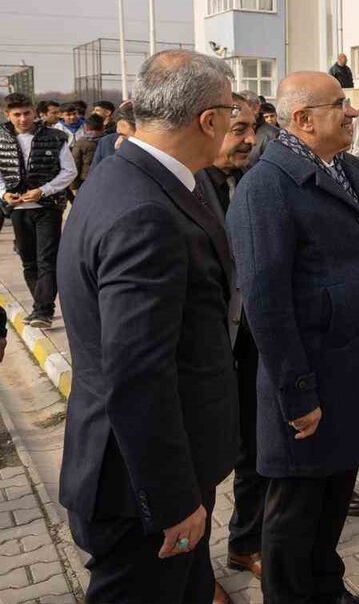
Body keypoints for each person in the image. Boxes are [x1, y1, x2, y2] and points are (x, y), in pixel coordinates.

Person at [226, 72, 359, 604]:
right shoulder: (265, 187)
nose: (353, 113)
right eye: (340, 106)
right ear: (304, 120)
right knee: (295, 513)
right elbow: (266, 303)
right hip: (308, 383)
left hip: (348, 375)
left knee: (333, 499)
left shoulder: (343, 170)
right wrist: (297, 394)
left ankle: (328, 591)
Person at [57, 50, 240, 601]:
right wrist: (172, 500)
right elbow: (138, 374)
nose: (235, 123)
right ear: (208, 120)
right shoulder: (144, 211)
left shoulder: (132, 170)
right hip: (139, 486)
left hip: (160, 463)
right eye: (231, 112)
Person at [192, 94, 263, 599]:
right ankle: (196, 573)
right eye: (239, 129)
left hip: (253, 343)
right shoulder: (185, 191)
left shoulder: (255, 183)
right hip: (204, 351)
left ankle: (246, 542)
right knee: (202, 461)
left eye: (253, 129)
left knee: (254, 450)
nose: (249, 140)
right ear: (210, 125)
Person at [1, 93, 76, 329]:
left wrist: (43, 190)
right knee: (28, 260)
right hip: (18, 208)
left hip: (47, 207)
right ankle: (39, 306)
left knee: (47, 259)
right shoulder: (1, 139)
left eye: (26, 113)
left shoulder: (55, 137)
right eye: (17, 114)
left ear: (34, 112)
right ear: (8, 115)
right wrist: (4, 193)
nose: (22, 118)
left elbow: (69, 172)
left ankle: (43, 310)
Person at [70, 114, 106, 191]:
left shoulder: (81, 142)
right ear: (103, 127)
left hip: (86, 179)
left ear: (86, 128)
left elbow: (75, 164)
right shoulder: (109, 140)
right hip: (106, 178)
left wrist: (74, 186)